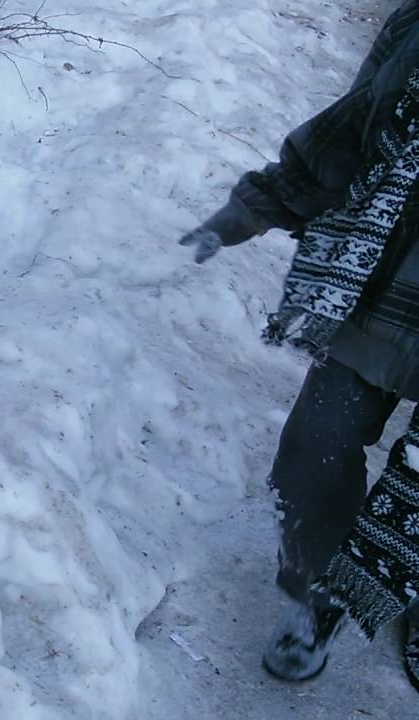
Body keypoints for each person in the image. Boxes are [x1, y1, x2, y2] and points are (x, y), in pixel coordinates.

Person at [179, 0, 419, 688]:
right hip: (389, 293)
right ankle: (320, 594)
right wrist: (249, 210)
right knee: (314, 449)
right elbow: (349, 133)